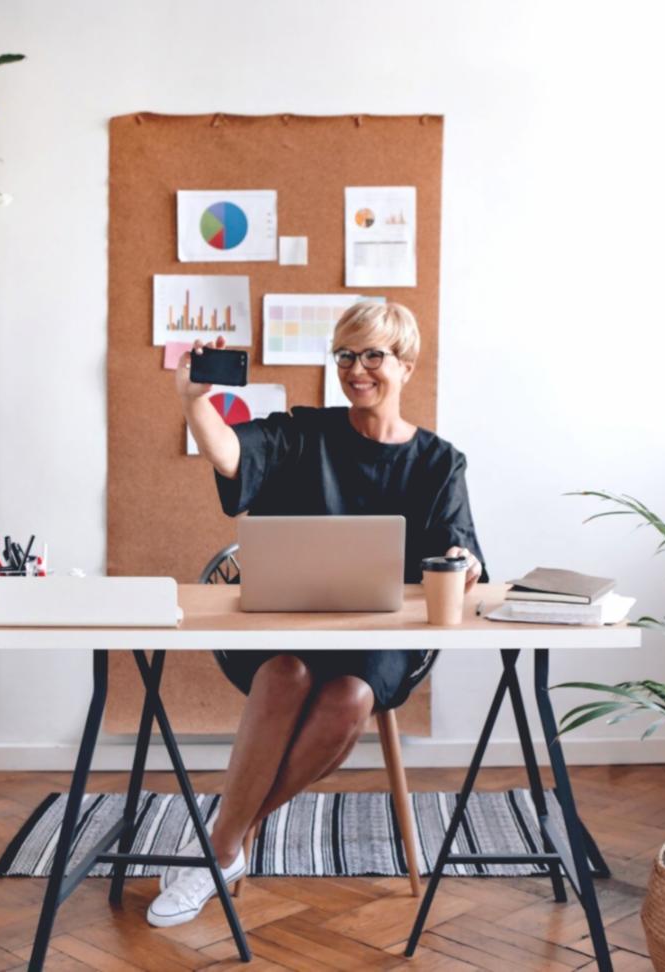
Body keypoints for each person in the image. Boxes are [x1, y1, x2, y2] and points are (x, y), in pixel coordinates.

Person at [147, 301, 487, 927]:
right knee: (285, 675)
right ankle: (224, 849)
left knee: (350, 696)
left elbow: (462, 555)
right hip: (288, 628)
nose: (357, 369)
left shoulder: (440, 463)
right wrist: (196, 401)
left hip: (383, 643)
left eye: (373, 355)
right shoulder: (304, 433)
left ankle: (220, 846)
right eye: (346, 356)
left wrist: (461, 560)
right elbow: (229, 456)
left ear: (406, 365)